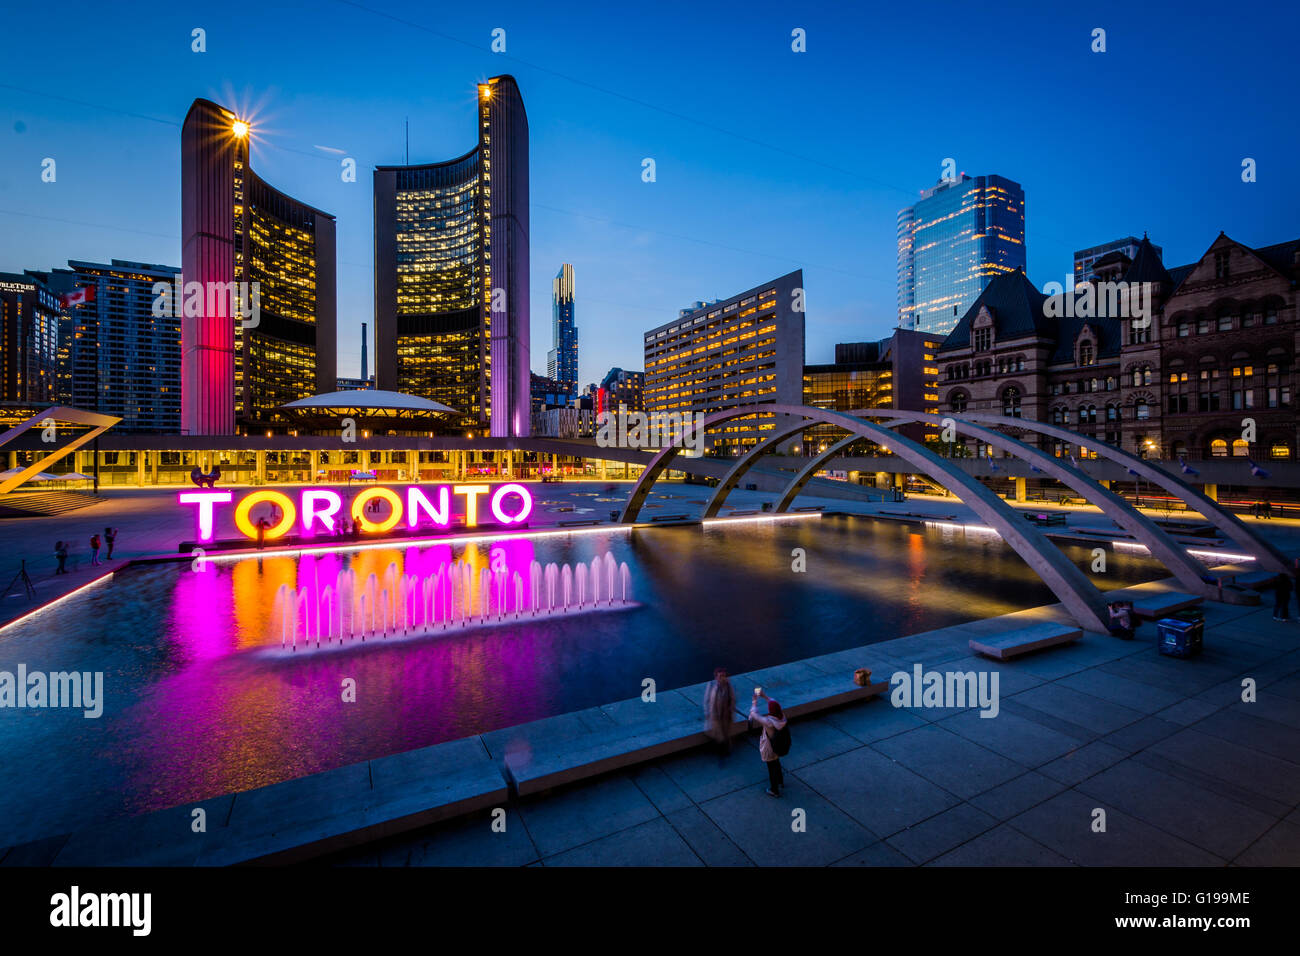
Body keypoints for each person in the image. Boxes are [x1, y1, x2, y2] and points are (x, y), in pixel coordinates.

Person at [749, 691, 789, 797]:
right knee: (777, 762)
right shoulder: (782, 717)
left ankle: (774, 790)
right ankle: (781, 781)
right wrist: (764, 696)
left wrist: (754, 701)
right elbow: (774, 702)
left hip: (769, 747)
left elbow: (754, 714)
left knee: (771, 768)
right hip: (778, 745)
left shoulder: (768, 722)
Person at [703, 668, 736, 757]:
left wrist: (731, 711)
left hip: (725, 715)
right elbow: (707, 701)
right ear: (716, 677)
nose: (723, 678)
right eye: (720, 676)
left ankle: (724, 751)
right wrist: (708, 713)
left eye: (724, 676)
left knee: (725, 734)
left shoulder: (728, 686)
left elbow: (733, 699)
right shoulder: (711, 685)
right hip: (715, 716)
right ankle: (721, 751)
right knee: (718, 735)